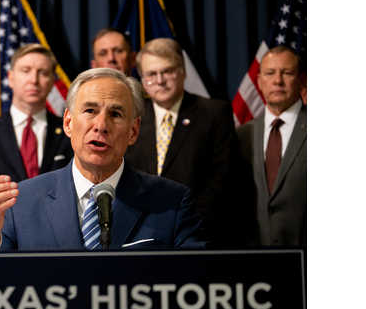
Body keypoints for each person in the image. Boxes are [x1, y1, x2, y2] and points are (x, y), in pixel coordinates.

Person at [0, 67, 206, 251]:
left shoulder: (173, 203)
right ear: (68, 123)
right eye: (90, 111)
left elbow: (198, 287)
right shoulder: (19, 203)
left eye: (115, 114)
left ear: (133, 131)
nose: (101, 126)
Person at [124, 38, 242, 247]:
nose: (160, 80)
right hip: (140, 238)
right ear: (142, 80)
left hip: (198, 235)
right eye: (151, 74)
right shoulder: (133, 121)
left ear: (182, 71)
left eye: (167, 71)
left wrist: (182, 224)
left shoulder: (214, 113)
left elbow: (222, 179)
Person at [0, 44, 73, 247]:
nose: (33, 80)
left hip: (57, 245)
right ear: (10, 78)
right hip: (1, 246)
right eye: (26, 71)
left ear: (52, 81)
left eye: (43, 72)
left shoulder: (68, 132)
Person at [237, 46, 306, 247]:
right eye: (270, 73)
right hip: (255, 257)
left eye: (286, 73)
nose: (277, 81)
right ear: (259, 81)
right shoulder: (242, 135)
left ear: (302, 79)